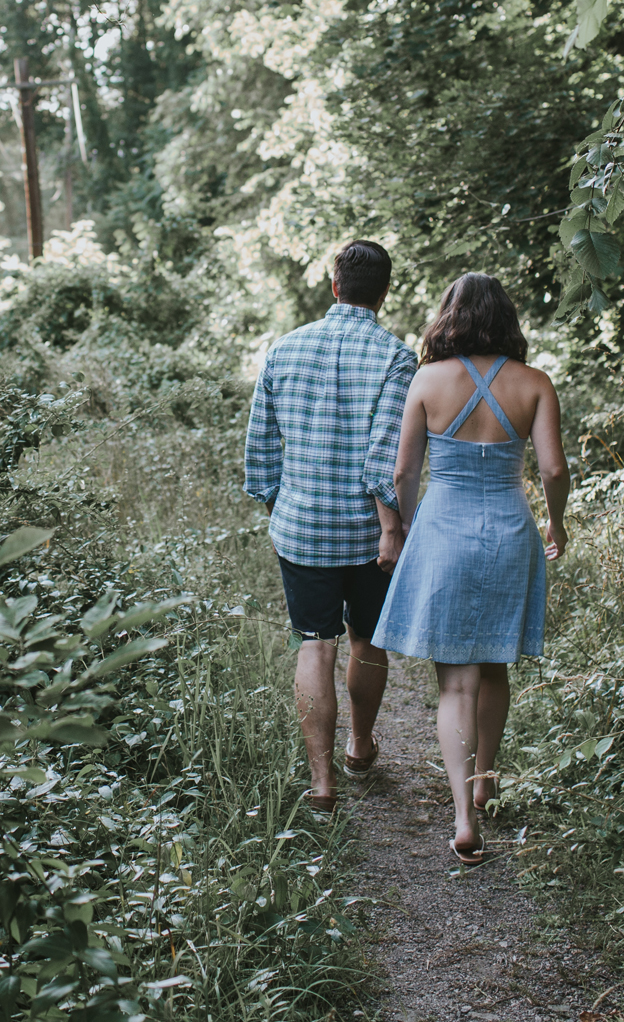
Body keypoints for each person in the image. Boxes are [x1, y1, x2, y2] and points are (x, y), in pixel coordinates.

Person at [373, 272, 570, 864]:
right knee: (496, 667)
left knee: (456, 681)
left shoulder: (428, 380)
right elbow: (554, 470)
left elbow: (404, 474)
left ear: (448, 316)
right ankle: (486, 778)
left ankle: (463, 818)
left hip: (445, 530)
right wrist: (557, 523)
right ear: (507, 318)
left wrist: (403, 527)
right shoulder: (534, 383)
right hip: (510, 529)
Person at [244, 240, 418, 814]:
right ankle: (361, 746)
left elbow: (261, 446)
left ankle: (322, 783)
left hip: (301, 529)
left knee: (314, 643)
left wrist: (281, 505)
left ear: (334, 286)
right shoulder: (395, 358)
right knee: (366, 641)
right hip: (370, 535)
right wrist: (392, 528)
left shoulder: (284, 349)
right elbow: (387, 458)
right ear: (384, 293)